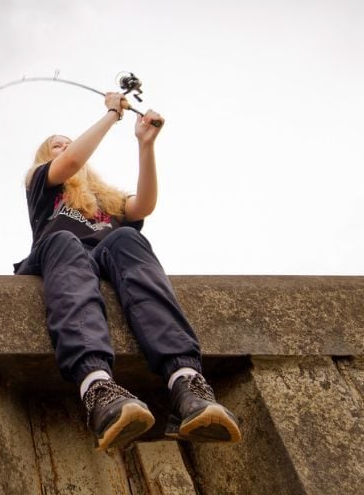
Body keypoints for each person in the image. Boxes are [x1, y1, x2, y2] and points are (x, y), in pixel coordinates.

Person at [18, 93, 241, 451]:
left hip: (107, 257)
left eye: (68, 144)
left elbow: (143, 205)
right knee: (64, 240)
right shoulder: (43, 185)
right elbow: (73, 160)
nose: (65, 148)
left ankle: (187, 384)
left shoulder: (105, 201)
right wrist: (111, 115)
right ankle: (97, 387)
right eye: (56, 146)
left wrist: (145, 145)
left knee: (126, 238)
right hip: (59, 257)